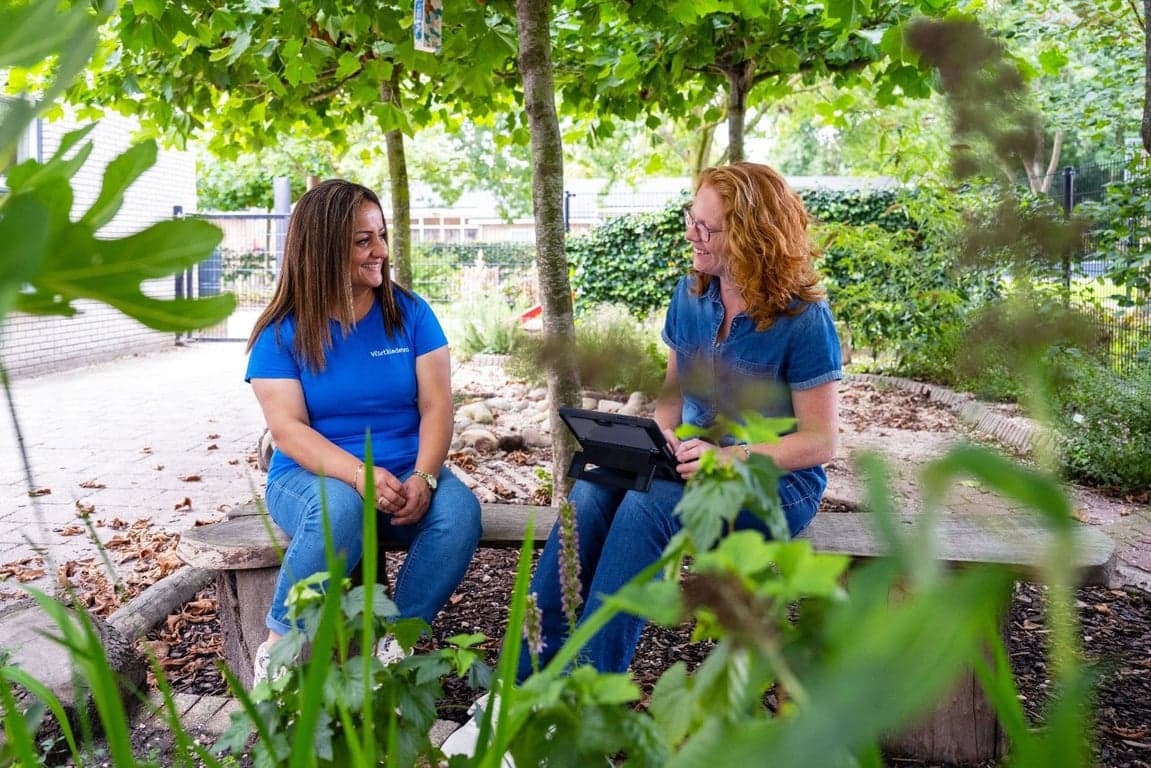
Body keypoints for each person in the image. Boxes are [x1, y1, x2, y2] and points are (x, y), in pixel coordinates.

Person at [522, 161, 842, 678]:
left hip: (774, 483)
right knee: (590, 490)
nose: (690, 235)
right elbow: (672, 398)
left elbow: (820, 442)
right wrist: (658, 436)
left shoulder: (803, 318)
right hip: (688, 461)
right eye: (690, 219)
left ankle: (583, 705)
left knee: (647, 506)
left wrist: (732, 458)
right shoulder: (689, 297)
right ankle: (517, 689)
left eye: (706, 228)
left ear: (751, 236)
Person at [244, 179, 481, 686]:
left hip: (403, 476)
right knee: (340, 509)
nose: (381, 251)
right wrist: (359, 475)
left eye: (381, 235)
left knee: (460, 512)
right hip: (310, 476)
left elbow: (438, 405)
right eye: (362, 240)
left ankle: (392, 650)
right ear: (324, 247)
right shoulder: (281, 332)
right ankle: (276, 650)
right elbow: (287, 431)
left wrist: (426, 476)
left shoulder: (410, 314)